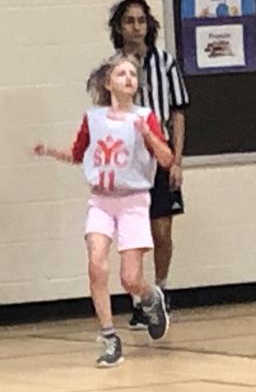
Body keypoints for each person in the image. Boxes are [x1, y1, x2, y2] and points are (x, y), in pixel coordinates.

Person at [33, 54, 172, 367]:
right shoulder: (93, 118)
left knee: (130, 279)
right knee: (96, 265)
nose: (128, 78)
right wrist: (50, 151)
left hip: (133, 200)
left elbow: (165, 159)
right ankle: (110, 337)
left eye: (132, 74)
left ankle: (150, 297)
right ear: (108, 82)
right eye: (121, 73)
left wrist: (148, 135)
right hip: (101, 200)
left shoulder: (145, 117)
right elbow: (77, 154)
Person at [108, 0, 190, 329]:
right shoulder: (112, 68)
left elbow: (178, 113)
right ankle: (139, 300)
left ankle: (162, 289)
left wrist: (177, 161)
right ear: (119, 27)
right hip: (128, 160)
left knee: (162, 230)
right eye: (129, 21)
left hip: (159, 154)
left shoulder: (165, 63)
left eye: (141, 20)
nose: (136, 27)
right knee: (133, 233)